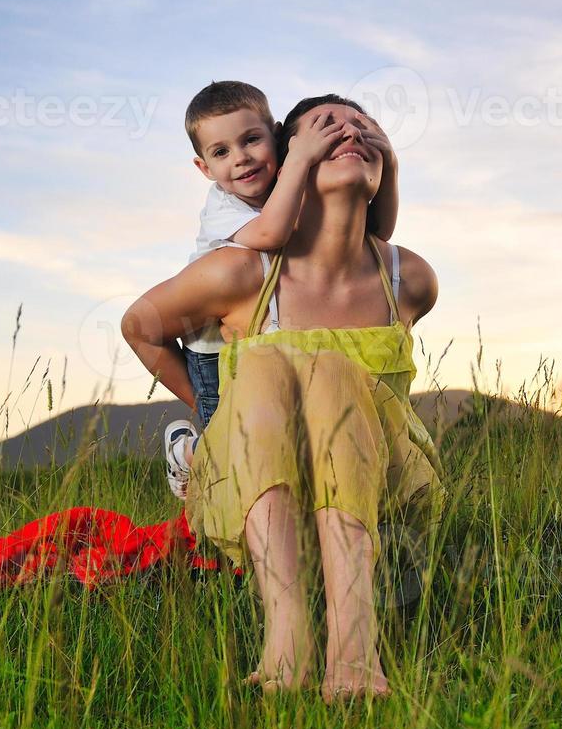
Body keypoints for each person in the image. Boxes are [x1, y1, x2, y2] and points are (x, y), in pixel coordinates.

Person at [122, 95, 442, 702]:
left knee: (331, 372)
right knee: (270, 361)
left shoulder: (412, 278)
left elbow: (371, 233)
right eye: (327, 128)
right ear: (292, 162)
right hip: (259, 491)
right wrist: (210, 413)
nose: (348, 134)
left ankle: (354, 652)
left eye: (364, 128)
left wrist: (388, 161)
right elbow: (139, 325)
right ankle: (287, 645)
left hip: (383, 492)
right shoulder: (239, 271)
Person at [167, 81, 400, 497]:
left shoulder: (279, 184)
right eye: (220, 152)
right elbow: (273, 232)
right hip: (209, 350)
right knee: (230, 447)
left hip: (253, 346)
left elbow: (378, 231)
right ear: (204, 168)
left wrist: (390, 165)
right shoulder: (226, 204)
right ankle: (188, 454)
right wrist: (303, 155)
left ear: (272, 138)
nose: (240, 159)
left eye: (252, 140)